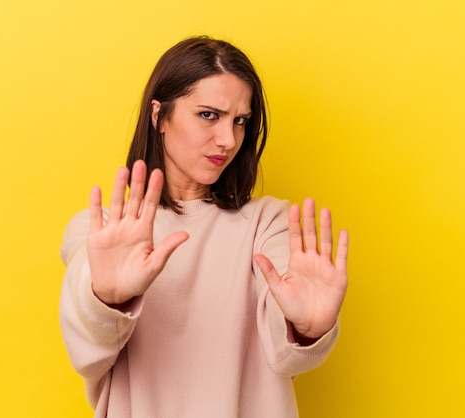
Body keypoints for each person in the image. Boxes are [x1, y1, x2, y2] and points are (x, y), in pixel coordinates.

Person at [59, 36, 349, 418]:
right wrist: (106, 299)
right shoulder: (103, 229)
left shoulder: (267, 224)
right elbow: (89, 353)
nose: (228, 140)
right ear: (159, 116)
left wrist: (307, 329)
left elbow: (286, 356)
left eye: (240, 121)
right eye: (209, 115)